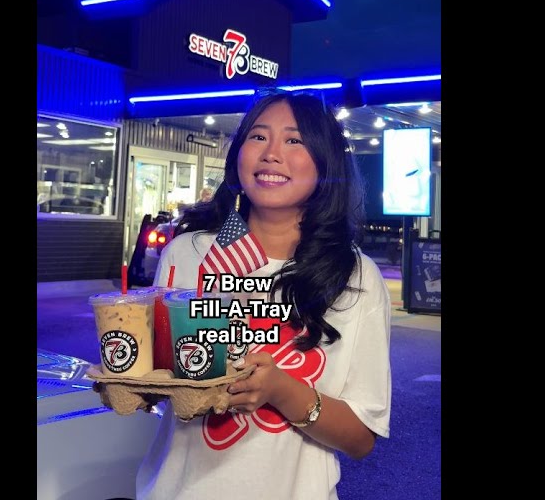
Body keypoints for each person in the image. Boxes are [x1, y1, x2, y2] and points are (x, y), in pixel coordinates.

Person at [140, 89, 391, 500]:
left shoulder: (356, 275)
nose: (271, 154)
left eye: (294, 140)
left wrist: (281, 390)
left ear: (325, 163)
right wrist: (131, 378)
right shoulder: (186, 253)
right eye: (258, 136)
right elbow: (156, 381)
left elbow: (361, 438)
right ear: (238, 157)